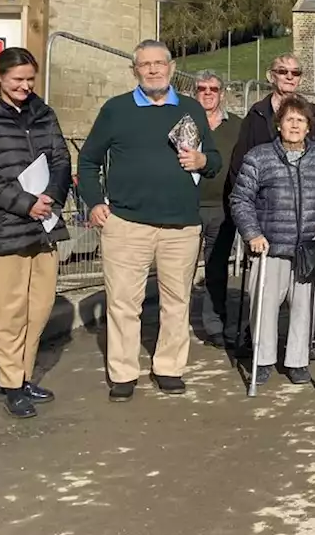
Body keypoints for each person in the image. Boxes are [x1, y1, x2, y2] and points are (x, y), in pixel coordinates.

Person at [78, 41, 222, 400]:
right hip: (127, 224)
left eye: (160, 64)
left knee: (177, 301)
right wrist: (95, 203)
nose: (154, 70)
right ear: (135, 71)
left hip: (181, 226)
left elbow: (216, 160)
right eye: (146, 65)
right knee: (124, 302)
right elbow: (88, 161)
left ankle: (169, 367)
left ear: (171, 68)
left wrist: (203, 161)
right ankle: (124, 374)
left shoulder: (190, 109)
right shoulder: (116, 110)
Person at [0, 47, 72, 419]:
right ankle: (10, 384)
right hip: (2, 225)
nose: (25, 86)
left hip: (44, 224)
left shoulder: (43, 112)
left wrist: (52, 195)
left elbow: (60, 158)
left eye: (29, 79)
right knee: (9, 310)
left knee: (38, 308)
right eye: (17, 79)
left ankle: (21, 376)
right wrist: (25, 203)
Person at [228, 95, 315, 388]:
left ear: (308, 128)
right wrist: (252, 233)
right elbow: (240, 199)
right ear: (279, 125)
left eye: (300, 121)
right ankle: (263, 359)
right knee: (263, 305)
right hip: (270, 246)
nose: (294, 125)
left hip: (307, 247)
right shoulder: (259, 157)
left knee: (304, 307)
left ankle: (297, 361)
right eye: (289, 120)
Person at [226, 54, 315, 200]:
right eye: (283, 72)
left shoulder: (313, 113)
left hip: (306, 202)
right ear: (271, 76)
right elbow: (240, 165)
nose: (290, 77)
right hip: (265, 204)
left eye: (295, 73)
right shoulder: (257, 114)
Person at [192, 70, 242, 348]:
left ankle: (214, 325)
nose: (208, 93)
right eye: (202, 88)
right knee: (179, 269)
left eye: (213, 88)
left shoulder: (236, 126)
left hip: (222, 208)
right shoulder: (183, 124)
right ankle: (172, 325)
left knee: (216, 268)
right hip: (187, 207)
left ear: (222, 93)